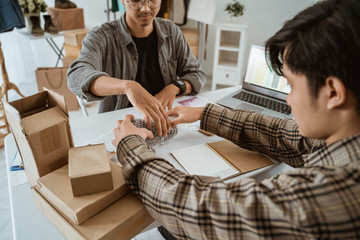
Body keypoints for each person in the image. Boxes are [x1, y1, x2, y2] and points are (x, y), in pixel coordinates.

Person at [112, 0, 360, 239]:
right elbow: (288, 136)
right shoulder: (345, 140)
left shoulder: (331, 193)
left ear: (333, 93)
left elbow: (201, 209)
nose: (288, 100)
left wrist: (131, 145)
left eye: (291, 85)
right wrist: (205, 113)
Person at [67, 0, 206, 137]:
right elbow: (76, 76)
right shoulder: (101, 36)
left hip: (164, 125)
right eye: (136, 0)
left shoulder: (171, 31)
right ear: (122, 1)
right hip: (119, 127)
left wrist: (175, 87)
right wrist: (127, 87)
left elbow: (197, 74)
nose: (145, 8)